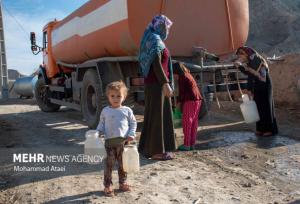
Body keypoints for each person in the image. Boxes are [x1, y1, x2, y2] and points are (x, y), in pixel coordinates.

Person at [138, 15, 177, 160]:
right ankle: (156, 152)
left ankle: (149, 149)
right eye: (165, 26)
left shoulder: (152, 37)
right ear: (159, 26)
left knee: (156, 116)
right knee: (157, 117)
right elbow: (156, 64)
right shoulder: (154, 39)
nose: (167, 29)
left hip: (155, 84)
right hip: (157, 85)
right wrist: (165, 83)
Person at [96, 81, 137, 197]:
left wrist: (131, 134)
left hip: (123, 143)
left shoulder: (127, 110)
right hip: (109, 144)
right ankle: (108, 185)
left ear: (124, 97)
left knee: (123, 165)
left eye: (119, 96)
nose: (115, 98)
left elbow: (133, 123)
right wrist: (98, 132)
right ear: (108, 96)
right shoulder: (105, 111)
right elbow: (101, 124)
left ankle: (122, 183)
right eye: (112, 96)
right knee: (108, 165)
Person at [234, 46, 278, 136]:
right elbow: (250, 73)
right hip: (257, 84)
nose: (240, 58)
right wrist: (240, 67)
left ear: (245, 54)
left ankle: (269, 129)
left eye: (240, 56)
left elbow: (260, 75)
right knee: (258, 106)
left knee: (266, 106)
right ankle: (260, 129)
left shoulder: (256, 60)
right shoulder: (251, 61)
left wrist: (242, 66)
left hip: (264, 84)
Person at [173, 62, 202, 150]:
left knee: (187, 122)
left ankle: (186, 145)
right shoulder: (188, 74)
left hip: (190, 100)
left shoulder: (182, 77)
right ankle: (192, 143)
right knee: (193, 122)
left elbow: (181, 93)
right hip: (197, 99)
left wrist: (177, 105)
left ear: (176, 72)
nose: (173, 76)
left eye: (173, 73)